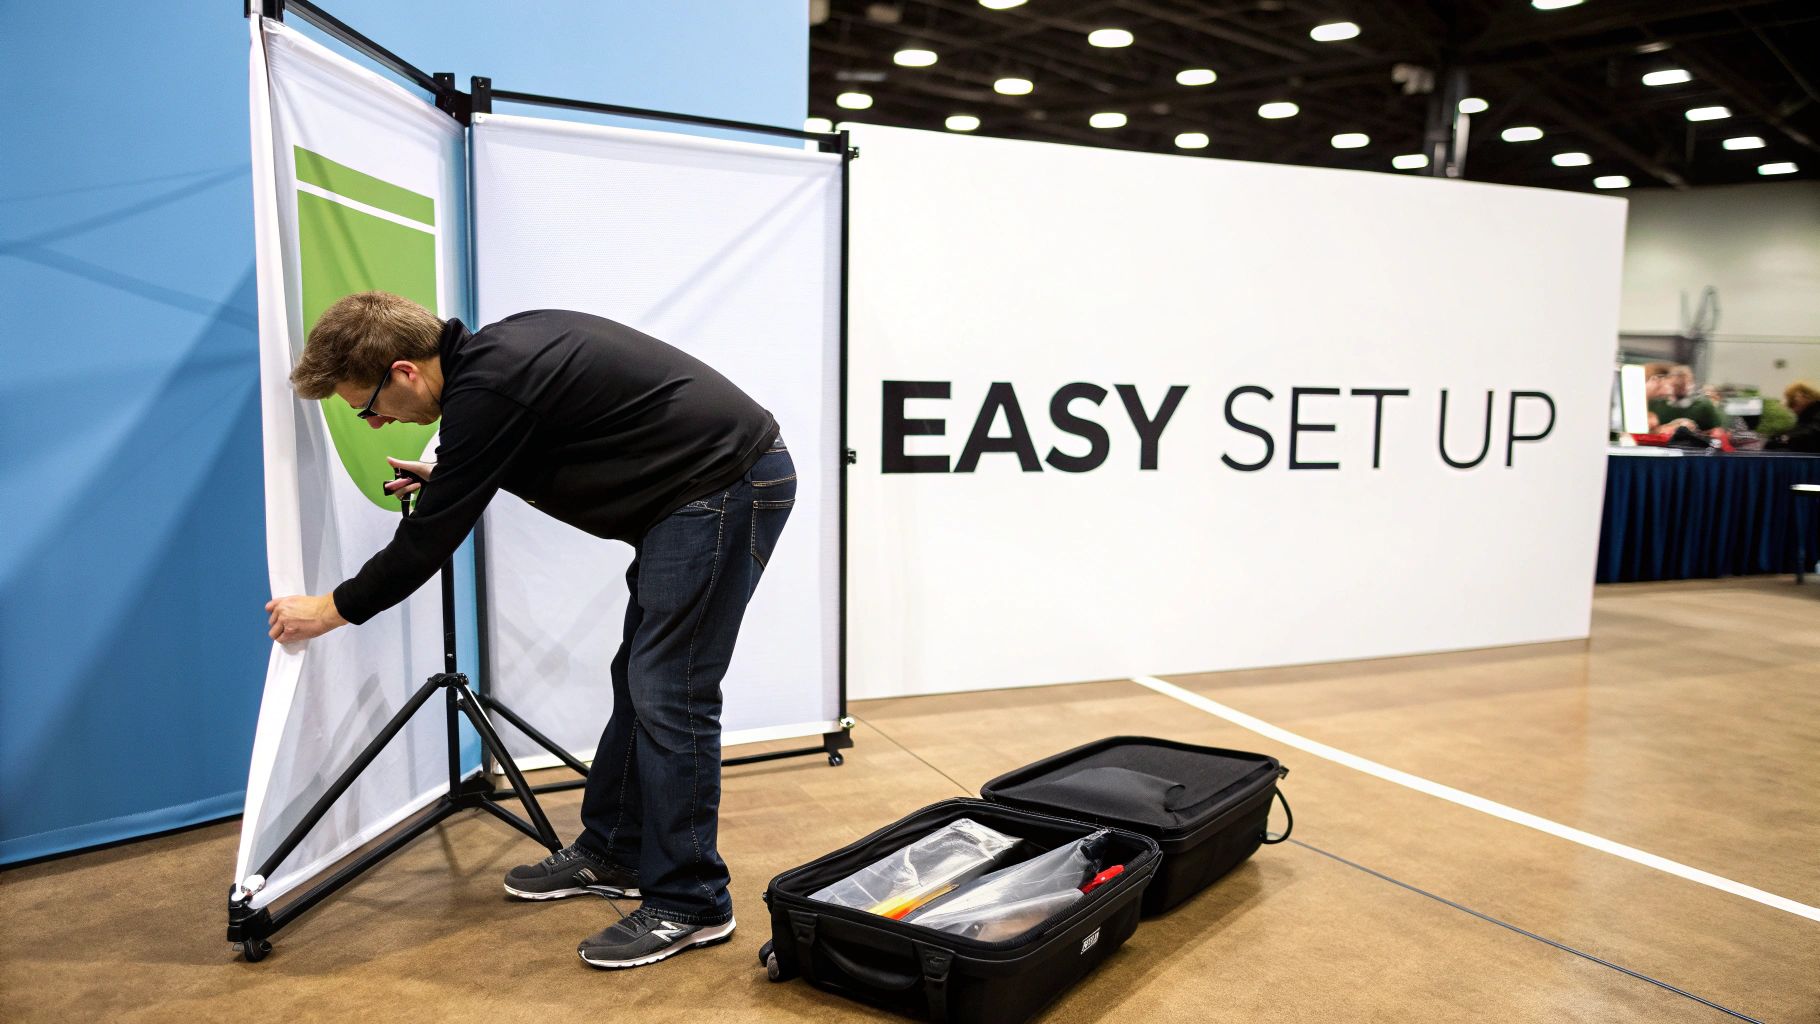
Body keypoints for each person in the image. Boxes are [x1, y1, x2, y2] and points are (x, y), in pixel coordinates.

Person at [265, 291, 794, 970]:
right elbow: (531, 437)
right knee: (642, 679)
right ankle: (615, 850)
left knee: (671, 687)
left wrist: (332, 608)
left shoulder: (490, 385)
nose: (372, 425)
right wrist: (452, 473)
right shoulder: (493, 362)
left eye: (366, 407)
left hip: (727, 483)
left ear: (404, 372)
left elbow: (426, 544)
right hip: (696, 491)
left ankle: (692, 902)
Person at [1773, 381, 1820, 453]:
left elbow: (1811, 433)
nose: (1791, 409)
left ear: (1804, 396)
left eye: (1792, 403)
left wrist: (1784, 438)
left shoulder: (1815, 413)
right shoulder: (1806, 415)